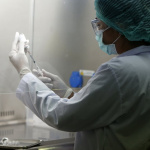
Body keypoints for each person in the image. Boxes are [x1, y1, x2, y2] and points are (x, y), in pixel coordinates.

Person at [9, 0, 150, 149]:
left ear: (119, 27)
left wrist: (24, 72)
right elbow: (102, 110)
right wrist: (68, 94)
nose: (98, 31)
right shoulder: (142, 64)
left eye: (100, 25)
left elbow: (64, 117)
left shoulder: (118, 71)